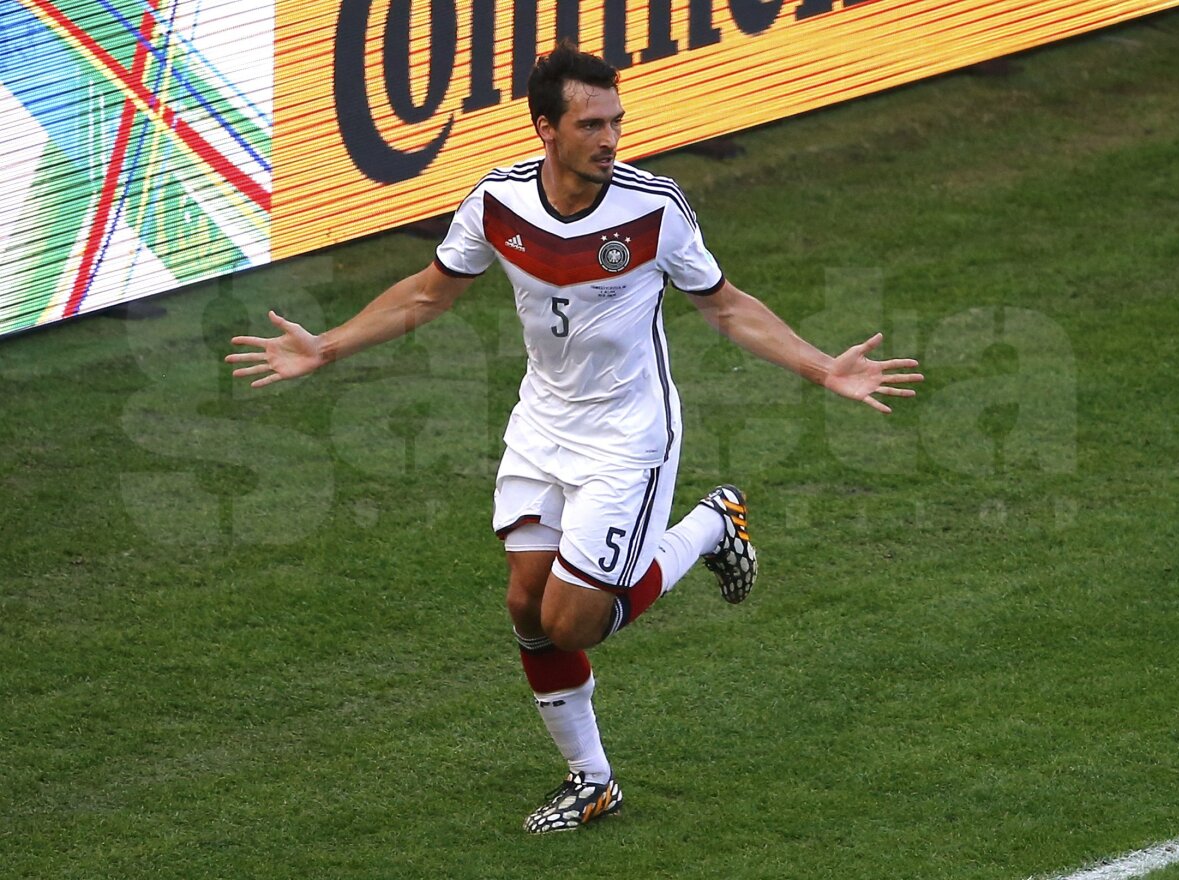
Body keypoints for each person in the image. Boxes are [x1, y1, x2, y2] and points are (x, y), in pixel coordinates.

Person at [227, 41, 922, 833]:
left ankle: (705, 527)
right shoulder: (497, 203)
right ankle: (592, 780)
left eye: (617, 121)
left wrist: (820, 368)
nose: (611, 138)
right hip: (542, 425)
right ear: (545, 128)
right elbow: (426, 296)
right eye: (592, 123)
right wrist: (327, 346)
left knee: (574, 622)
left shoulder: (654, 209)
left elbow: (726, 306)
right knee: (526, 605)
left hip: (630, 437)